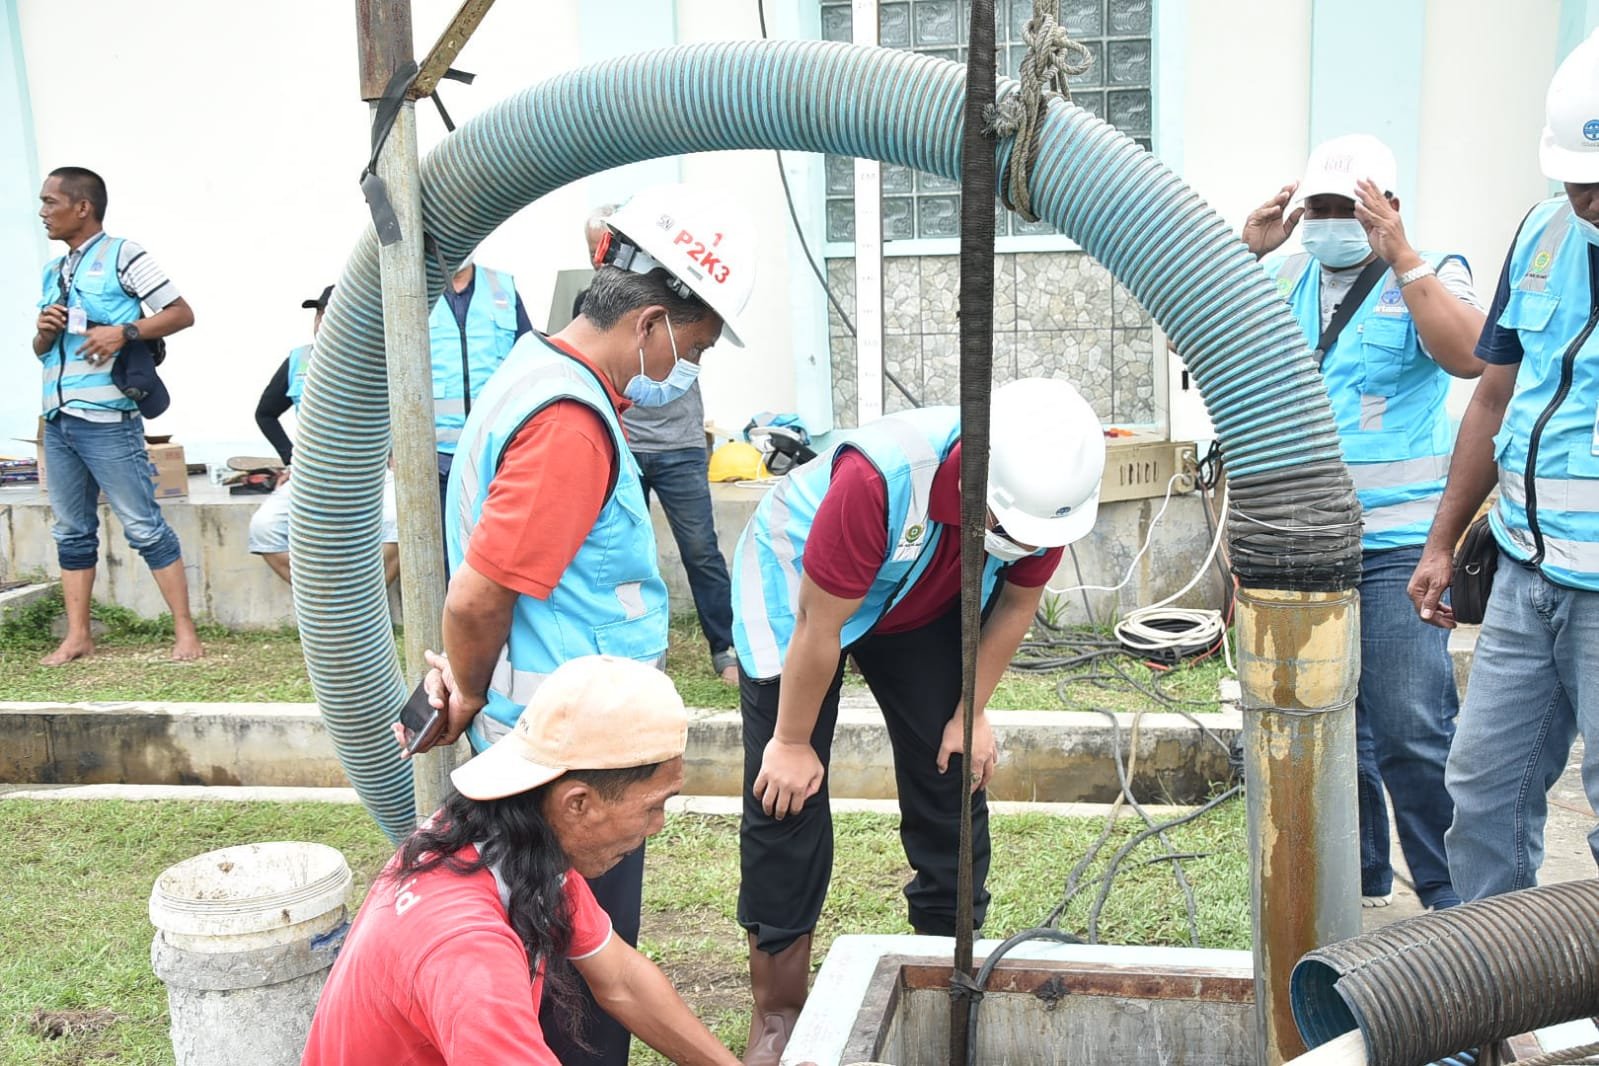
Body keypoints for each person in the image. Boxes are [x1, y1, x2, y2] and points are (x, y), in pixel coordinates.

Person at [417, 183, 757, 1066]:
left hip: (560, 738)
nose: (690, 366)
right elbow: (477, 598)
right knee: (578, 997)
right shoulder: (568, 420)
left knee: (569, 962)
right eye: (695, 345)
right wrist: (469, 691)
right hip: (569, 758)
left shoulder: (537, 375)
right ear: (648, 324)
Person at [732, 377, 1106, 1066]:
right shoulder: (877, 480)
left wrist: (971, 711)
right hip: (805, 589)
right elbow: (819, 624)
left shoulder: (1045, 493)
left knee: (953, 769)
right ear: (973, 487)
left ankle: (945, 970)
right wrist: (789, 743)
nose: (1019, 544)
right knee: (785, 793)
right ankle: (778, 1012)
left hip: (919, 590)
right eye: (1006, 531)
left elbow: (1016, 607)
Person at [1242, 134, 1486, 913]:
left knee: (1410, 722)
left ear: (1382, 205)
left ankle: (1452, 904)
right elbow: (1215, 357)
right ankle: (1364, 885)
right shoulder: (1283, 276)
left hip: (1397, 545)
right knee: (1328, 723)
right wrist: (1243, 254)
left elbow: (1466, 358)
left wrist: (1400, 252)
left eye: (1343, 208)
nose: (1324, 222)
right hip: (1306, 543)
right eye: (1314, 207)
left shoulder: (1435, 269)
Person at [303, 655, 741, 1066]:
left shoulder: (514, 841)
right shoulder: (468, 952)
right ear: (578, 804)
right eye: (653, 806)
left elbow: (622, 979)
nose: (658, 825)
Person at [1408, 31, 1599, 901]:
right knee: (1481, 796)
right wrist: (1442, 539)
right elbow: (1492, 398)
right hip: (1526, 576)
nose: (1583, 199)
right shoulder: (1542, 231)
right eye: (1571, 178)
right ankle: (1496, 1006)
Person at [32, 166, 201, 665]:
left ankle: (186, 633)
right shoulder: (53, 271)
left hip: (108, 419)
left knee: (143, 526)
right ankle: (78, 636)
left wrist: (124, 332)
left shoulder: (124, 254)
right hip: (58, 419)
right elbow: (42, 350)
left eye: (50, 202)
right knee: (71, 530)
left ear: (82, 207)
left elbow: (180, 312)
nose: (42, 212)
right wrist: (44, 331)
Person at [576, 206, 740, 686]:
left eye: (606, 248)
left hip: (680, 445)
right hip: (626, 444)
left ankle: (725, 647)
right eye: (593, 252)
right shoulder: (592, 315)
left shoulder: (679, 307)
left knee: (700, 549)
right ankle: (619, 651)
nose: (601, 260)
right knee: (619, 550)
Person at [249, 285, 399, 585]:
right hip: (313, 473)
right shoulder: (298, 360)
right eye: (319, 312)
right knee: (264, 529)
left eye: (331, 313)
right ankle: (325, 603)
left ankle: (365, 608)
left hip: (374, 470)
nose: (321, 319)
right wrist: (290, 459)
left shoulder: (382, 357)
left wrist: (397, 455)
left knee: (398, 525)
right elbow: (265, 413)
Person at [430, 256, 533, 506]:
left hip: (497, 451)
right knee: (442, 544)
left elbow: (529, 366)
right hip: (435, 459)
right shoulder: (412, 289)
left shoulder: (503, 288)